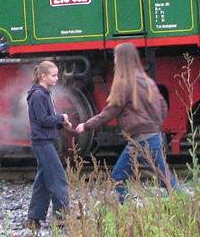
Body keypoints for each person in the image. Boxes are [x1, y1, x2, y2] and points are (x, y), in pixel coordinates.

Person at [76, 42, 178, 201]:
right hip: (152, 136)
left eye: (116, 56)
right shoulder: (147, 80)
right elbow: (163, 106)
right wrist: (154, 125)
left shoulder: (124, 83)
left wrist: (86, 125)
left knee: (118, 177)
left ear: (121, 59)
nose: (115, 59)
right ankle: (182, 202)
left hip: (140, 141)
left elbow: (111, 111)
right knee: (163, 177)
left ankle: (126, 209)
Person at [24, 61, 71, 232]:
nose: (57, 78)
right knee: (58, 178)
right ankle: (61, 217)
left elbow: (44, 119)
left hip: (44, 140)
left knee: (43, 181)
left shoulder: (43, 94)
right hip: (42, 142)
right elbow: (43, 120)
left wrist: (60, 123)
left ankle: (34, 218)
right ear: (43, 76)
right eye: (54, 75)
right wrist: (61, 118)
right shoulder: (38, 96)